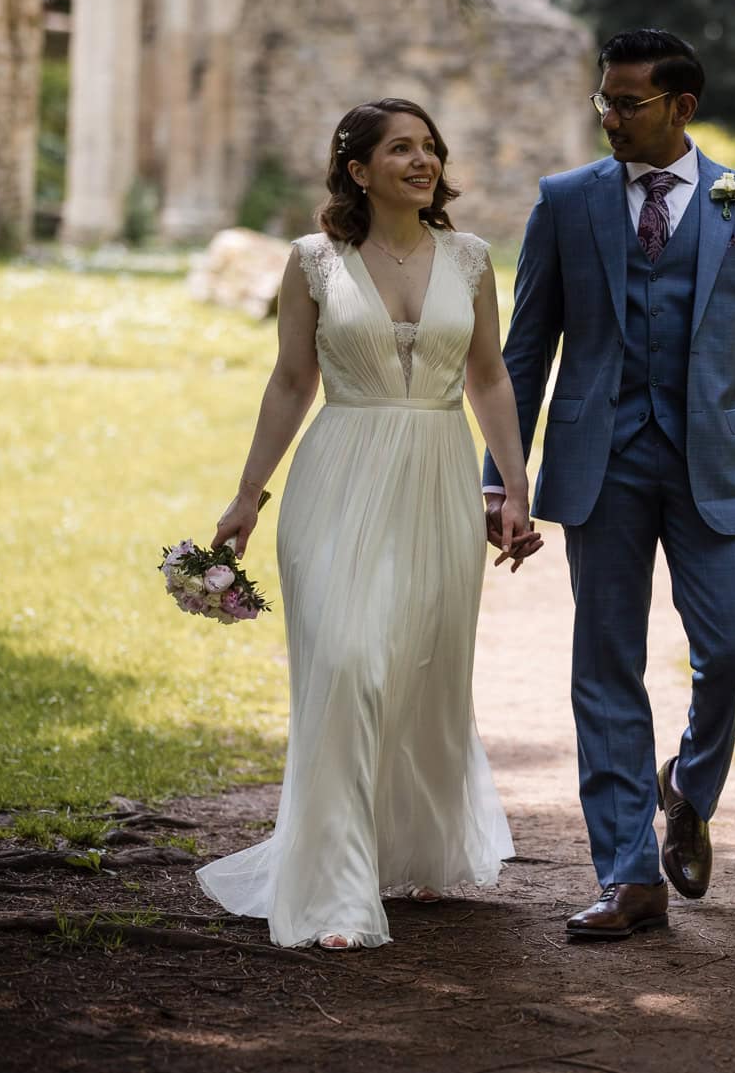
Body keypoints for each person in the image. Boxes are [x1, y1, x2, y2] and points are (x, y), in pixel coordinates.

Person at [484, 28, 735, 941]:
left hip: (720, 470)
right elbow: (522, 355)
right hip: (603, 464)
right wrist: (499, 482)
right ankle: (629, 875)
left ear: (682, 108)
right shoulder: (565, 203)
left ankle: (688, 784)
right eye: (604, 101)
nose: (610, 118)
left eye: (628, 103)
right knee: (606, 663)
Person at [197, 98, 544, 950]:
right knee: (349, 661)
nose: (423, 161)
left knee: (423, 668)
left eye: (429, 147)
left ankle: (412, 844)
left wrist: (513, 486)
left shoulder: (468, 258)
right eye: (401, 149)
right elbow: (289, 382)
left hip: (436, 479)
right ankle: (338, 889)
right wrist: (248, 494)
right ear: (358, 169)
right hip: (338, 477)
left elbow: (491, 377)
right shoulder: (313, 260)